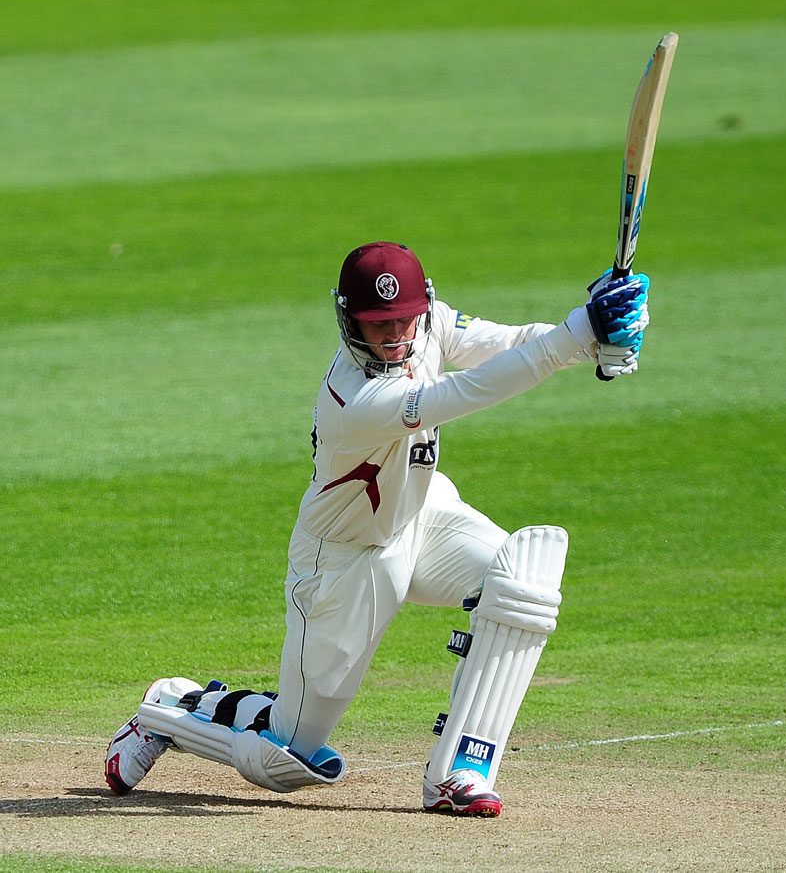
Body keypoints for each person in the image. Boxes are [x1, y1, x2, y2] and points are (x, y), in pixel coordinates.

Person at [104, 241, 650, 817]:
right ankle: (171, 708)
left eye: (403, 318)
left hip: (421, 516)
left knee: (519, 581)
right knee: (286, 757)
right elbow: (466, 391)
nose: (393, 334)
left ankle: (460, 771)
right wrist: (577, 332)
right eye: (376, 323)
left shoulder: (431, 324)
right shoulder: (355, 397)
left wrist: (594, 338)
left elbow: (511, 344)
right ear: (349, 320)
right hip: (344, 558)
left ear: (423, 307)